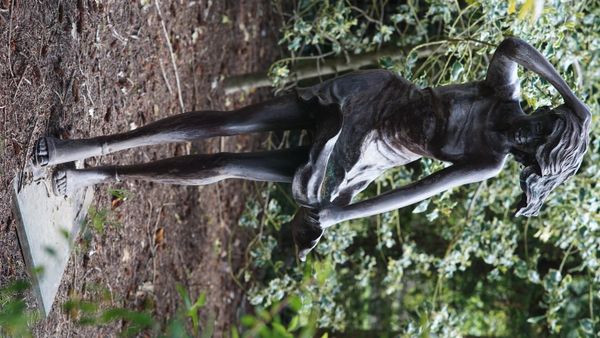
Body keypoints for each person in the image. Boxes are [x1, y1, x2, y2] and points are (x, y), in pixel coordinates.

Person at [33, 37, 591, 260]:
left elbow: (416, 190)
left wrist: (338, 213)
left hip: (364, 156)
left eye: (533, 152)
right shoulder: (502, 91)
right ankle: (83, 147)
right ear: (545, 116)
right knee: (235, 120)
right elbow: (513, 45)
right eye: (542, 131)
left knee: (228, 165)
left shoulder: (488, 160)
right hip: (372, 97)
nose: (527, 141)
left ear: (527, 165)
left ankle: (97, 178)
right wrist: (576, 102)